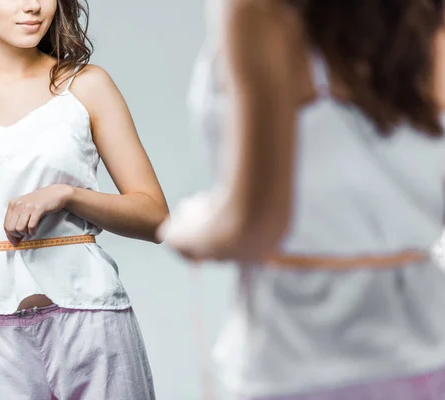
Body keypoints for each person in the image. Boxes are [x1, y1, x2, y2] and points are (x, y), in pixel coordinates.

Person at [160, 0, 445, 398]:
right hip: (428, 363)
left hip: (296, 365)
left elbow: (254, 229)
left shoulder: (261, 12)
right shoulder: (426, 15)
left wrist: (186, 227)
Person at [0, 0, 168, 398]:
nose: (32, 6)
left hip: (91, 314)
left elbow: (155, 217)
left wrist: (67, 195)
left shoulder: (86, 85)